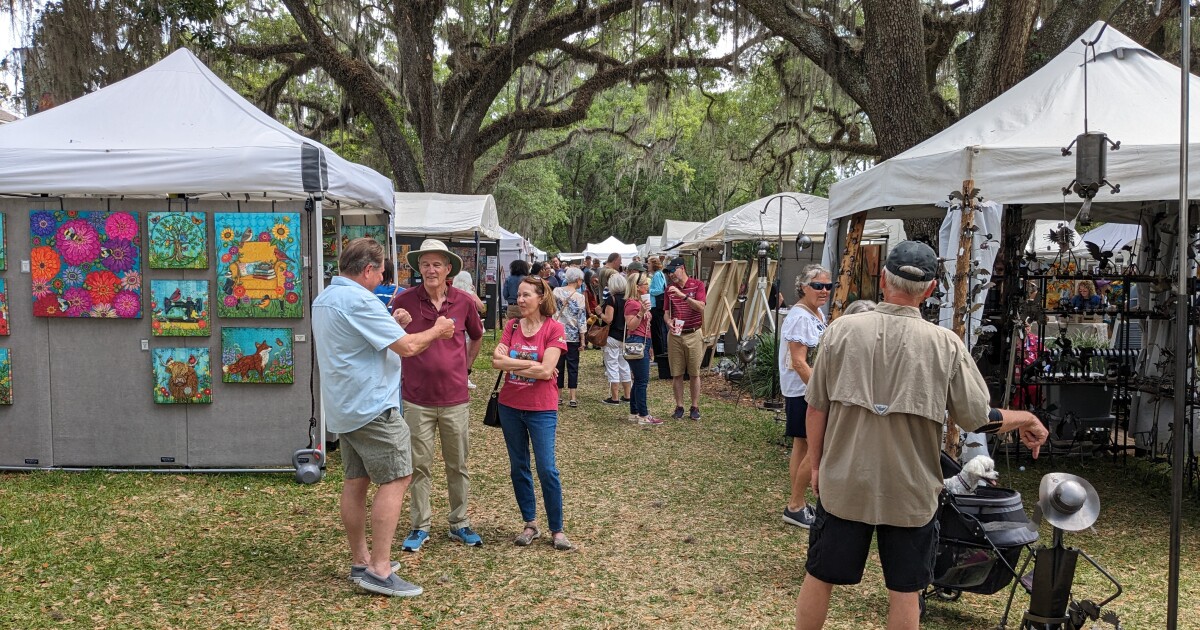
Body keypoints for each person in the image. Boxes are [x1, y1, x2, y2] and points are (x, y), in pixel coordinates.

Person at [794, 241, 1049, 630]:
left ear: (883, 281)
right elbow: (978, 417)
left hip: (846, 481)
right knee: (906, 590)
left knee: (821, 575)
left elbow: (816, 407)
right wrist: (1027, 417)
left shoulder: (840, 331)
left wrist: (817, 465)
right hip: (911, 492)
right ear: (929, 290)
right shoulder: (945, 344)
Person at [311, 237, 455, 597]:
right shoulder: (360, 300)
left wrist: (391, 321)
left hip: (345, 407)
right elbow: (407, 347)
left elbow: (359, 342)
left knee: (356, 481)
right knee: (398, 477)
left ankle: (362, 560)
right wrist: (437, 330)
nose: (382, 281)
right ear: (368, 270)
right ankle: (379, 568)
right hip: (372, 406)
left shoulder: (325, 298)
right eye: (380, 273)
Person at [391, 239, 486, 553]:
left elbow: (477, 336)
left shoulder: (463, 302)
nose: (430, 270)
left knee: (457, 464)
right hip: (416, 398)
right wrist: (395, 325)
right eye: (425, 264)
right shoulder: (403, 301)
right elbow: (391, 341)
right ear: (418, 268)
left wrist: (465, 369)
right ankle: (420, 526)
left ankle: (459, 523)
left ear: (449, 270)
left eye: (437, 264)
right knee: (419, 466)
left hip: (455, 398)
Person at [491, 276, 576, 551]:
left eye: (527, 295)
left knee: (547, 469)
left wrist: (512, 363)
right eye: (519, 295)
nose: (521, 299)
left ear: (541, 298)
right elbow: (495, 362)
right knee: (519, 467)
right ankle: (530, 524)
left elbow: (545, 371)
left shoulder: (554, 328)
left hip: (541, 409)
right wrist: (534, 364)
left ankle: (557, 529)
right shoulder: (512, 325)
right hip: (510, 406)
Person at [780, 265, 831, 529]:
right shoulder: (800, 316)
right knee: (815, 447)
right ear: (803, 287)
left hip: (804, 389)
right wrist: (820, 392)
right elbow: (799, 362)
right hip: (804, 390)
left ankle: (796, 503)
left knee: (802, 446)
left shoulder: (815, 312)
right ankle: (795, 505)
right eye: (818, 286)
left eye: (827, 286)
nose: (824, 291)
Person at [663, 257, 707, 420]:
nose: (671, 275)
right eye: (668, 273)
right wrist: (669, 322)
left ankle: (694, 407)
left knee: (694, 373)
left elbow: (701, 306)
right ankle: (679, 406)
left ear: (682, 268)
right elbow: (666, 312)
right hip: (675, 335)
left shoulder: (698, 285)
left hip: (694, 333)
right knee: (677, 373)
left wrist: (683, 296)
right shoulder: (669, 289)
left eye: (672, 271)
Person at [624, 270, 661, 425]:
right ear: (638, 287)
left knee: (639, 380)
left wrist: (650, 345)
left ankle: (635, 412)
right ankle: (643, 415)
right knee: (642, 381)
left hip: (643, 341)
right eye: (646, 283)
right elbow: (631, 325)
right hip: (637, 341)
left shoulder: (639, 302)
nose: (648, 285)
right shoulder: (632, 304)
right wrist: (641, 312)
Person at [552, 266, 588, 408]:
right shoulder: (579, 297)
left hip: (557, 335)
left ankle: (558, 396)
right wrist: (583, 339)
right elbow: (581, 320)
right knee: (573, 367)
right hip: (572, 336)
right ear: (578, 280)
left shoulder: (556, 291)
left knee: (558, 366)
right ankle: (572, 397)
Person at [601, 273, 633, 409]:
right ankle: (627, 395)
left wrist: (599, 312)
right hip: (626, 337)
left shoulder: (611, 300)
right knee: (624, 365)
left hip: (613, 336)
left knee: (612, 365)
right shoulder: (629, 299)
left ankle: (614, 397)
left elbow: (608, 319)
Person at [453, 269, 486, 390]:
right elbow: (482, 307)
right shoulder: (469, 293)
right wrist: (473, 292)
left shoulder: (452, 291)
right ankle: (464, 375)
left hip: (457, 325)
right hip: (470, 326)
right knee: (468, 349)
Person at [648, 256, 669, 370]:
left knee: (657, 332)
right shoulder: (658, 274)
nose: (647, 265)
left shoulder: (657, 275)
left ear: (654, 264)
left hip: (656, 306)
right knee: (658, 331)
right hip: (656, 305)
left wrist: (649, 290)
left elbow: (660, 290)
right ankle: (658, 355)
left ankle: (658, 356)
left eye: (649, 263)